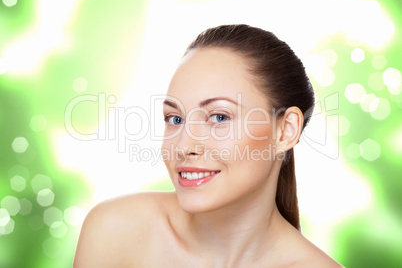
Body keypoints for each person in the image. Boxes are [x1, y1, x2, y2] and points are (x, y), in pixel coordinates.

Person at [74, 24, 344, 267]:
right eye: (175, 118)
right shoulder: (115, 231)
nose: (183, 145)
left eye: (219, 117)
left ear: (286, 130)